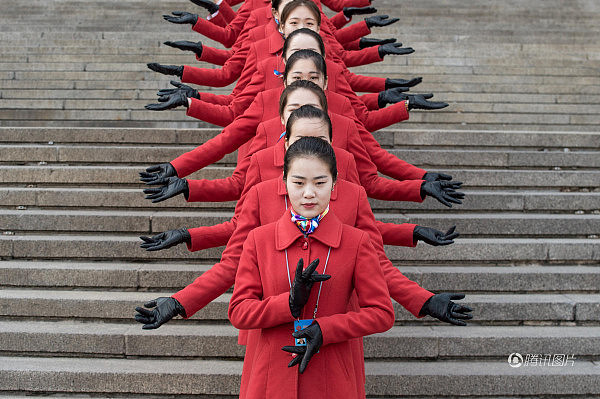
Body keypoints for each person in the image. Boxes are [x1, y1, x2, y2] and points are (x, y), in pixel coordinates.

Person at [227, 137, 396, 397]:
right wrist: (288, 305)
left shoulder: (357, 241)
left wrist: (326, 329)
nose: (308, 193)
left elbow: (382, 313)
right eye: (298, 183)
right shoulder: (259, 239)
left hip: (331, 380)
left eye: (320, 183)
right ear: (284, 182)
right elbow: (239, 312)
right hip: (270, 379)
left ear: (335, 183)